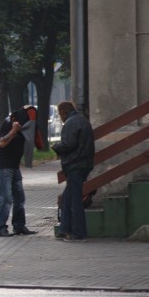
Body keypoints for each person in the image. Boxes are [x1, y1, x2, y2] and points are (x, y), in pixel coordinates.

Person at [0, 106, 41, 237]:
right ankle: (1, 227)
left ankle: (19, 226)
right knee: (6, 198)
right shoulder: (9, 123)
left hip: (15, 167)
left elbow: (39, 144)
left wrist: (35, 131)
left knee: (19, 198)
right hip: (4, 167)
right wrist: (14, 131)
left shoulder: (27, 127)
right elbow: (2, 143)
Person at [52, 101, 95, 242]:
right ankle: (65, 230)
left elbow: (68, 144)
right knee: (67, 198)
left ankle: (78, 233)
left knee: (75, 200)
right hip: (83, 164)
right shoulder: (82, 120)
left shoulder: (71, 123)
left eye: (60, 114)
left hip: (75, 165)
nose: (60, 117)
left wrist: (56, 147)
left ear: (63, 112)